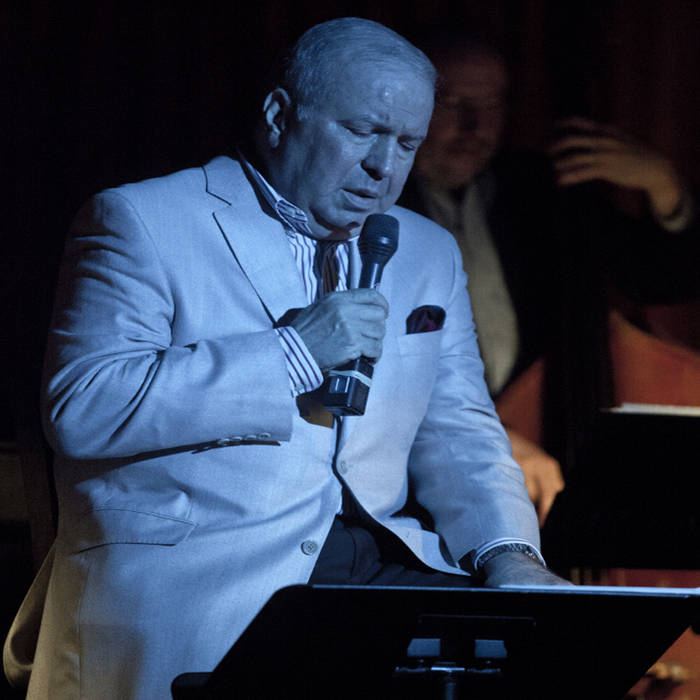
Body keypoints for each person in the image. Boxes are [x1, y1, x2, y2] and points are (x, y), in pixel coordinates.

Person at [4, 18, 568, 699]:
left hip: (372, 574)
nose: (384, 166)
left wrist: (511, 554)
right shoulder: (143, 219)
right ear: (278, 117)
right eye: (362, 131)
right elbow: (85, 409)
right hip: (200, 579)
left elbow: (462, 434)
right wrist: (294, 353)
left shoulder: (426, 251)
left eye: (406, 143)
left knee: (555, 655)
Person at [399, 34, 697, 525]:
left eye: (491, 105)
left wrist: (664, 187)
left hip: (548, 466)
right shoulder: (368, 200)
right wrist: (487, 433)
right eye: (452, 103)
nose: (474, 125)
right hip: (412, 478)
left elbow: (663, 280)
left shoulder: (537, 188)